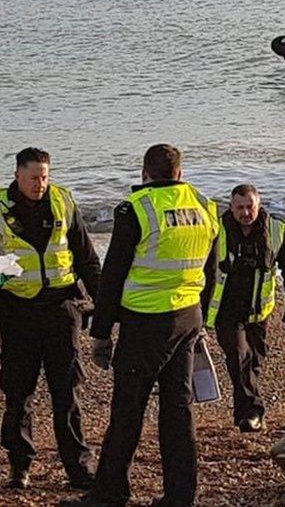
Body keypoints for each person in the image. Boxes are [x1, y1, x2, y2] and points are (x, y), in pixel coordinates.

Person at [62, 144, 218, 507]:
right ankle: (181, 495)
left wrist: (100, 334)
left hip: (146, 323)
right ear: (180, 174)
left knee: (128, 412)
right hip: (187, 317)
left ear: (145, 173)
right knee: (178, 410)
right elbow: (211, 270)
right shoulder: (203, 205)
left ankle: (110, 492)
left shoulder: (137, 209)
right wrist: (202, 319)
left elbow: (113, 275)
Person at [0, 147, 101, 490]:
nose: (40, 184)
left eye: (45, 177)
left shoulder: (64, 202)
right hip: (17, 313)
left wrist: (102, 304)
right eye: (33, 178)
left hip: (61, 310)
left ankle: (78, 467)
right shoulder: (0, 209)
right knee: (18, 393)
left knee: (67, 393)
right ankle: (20, 466)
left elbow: (87, 258)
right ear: (17, 175)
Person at [205, 184, 285, 432]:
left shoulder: (275, 230)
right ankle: (253, 413)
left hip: (259, 312)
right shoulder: (216, 230)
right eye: (240, 208)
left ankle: (242, 415)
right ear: (231, 207)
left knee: (252, 364)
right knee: (239, 358)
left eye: (250, 207)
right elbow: (201, 271)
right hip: (226, 312)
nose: (246, 213)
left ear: (259, 205)